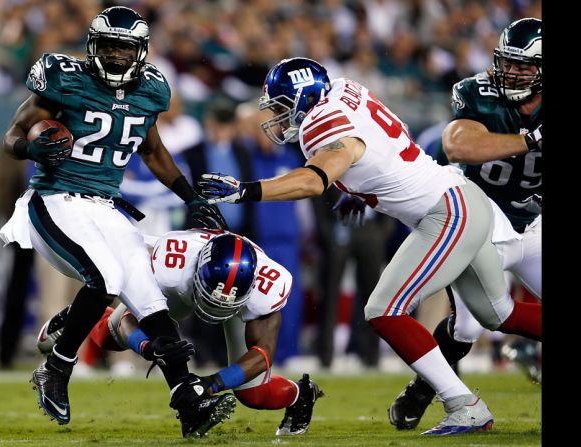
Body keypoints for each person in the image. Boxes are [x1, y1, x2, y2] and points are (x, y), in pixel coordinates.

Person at [198, 56, 542, 435]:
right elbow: (389, 139)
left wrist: (247, 191)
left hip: (448, 212)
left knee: (383, 309)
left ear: (304, 98)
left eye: (282, 107)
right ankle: (462, 404)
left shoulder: (318, 123)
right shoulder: (345, 87)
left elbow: (315, 181)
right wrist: (361, 188)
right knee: (500, 314)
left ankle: (464, 405)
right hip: (461, 199)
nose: (278, 118)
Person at [0, 6, 232, 436]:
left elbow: (153, 150)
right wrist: (31, 150)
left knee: (149, 298)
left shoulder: (152, 91)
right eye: (109, 47)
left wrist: (191, 196)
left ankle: (185, 396)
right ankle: (56, 369)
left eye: (125, 49)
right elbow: (12, 136)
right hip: (54, 197)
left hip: (106, 205)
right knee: (105, 278)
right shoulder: (64, 78)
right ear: (93, 46)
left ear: (140, 52)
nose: (117, 56)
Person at [388, 17, 542, 430]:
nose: (512, 73)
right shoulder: (478, 92)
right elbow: (460, 144)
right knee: (472, 323)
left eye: (525, 67)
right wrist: (532, 139)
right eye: (508, 63)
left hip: (535, 220)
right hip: (483, 218)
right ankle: (425, 387)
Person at [37, 230, 323, 435]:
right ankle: (85, 316)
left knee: (254, 395)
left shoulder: (268, 286)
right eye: (213, 297)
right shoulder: (170, 267)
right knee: (111, 337)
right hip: (179, 290)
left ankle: (302, 394)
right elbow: (127, 320)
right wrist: (148, 347)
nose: (218, 307)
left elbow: (263, 355)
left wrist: (209, 385)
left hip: (238, 301)